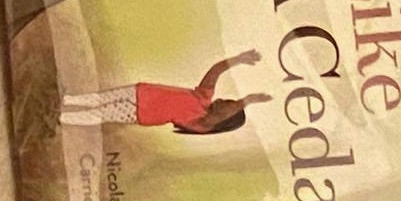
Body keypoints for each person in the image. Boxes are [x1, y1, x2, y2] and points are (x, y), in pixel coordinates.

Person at [57, 50, 269, 136]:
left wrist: (245, 101)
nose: (223, 101)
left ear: (223, 118)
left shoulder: (201, 122)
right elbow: (216, 70)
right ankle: (68, 100)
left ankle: (64, 117)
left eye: (229, 106)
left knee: (102, 113)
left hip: (141, 112)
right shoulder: (203, 98)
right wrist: (238, 59)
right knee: (101, 100)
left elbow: (221, 114)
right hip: (141, 91)